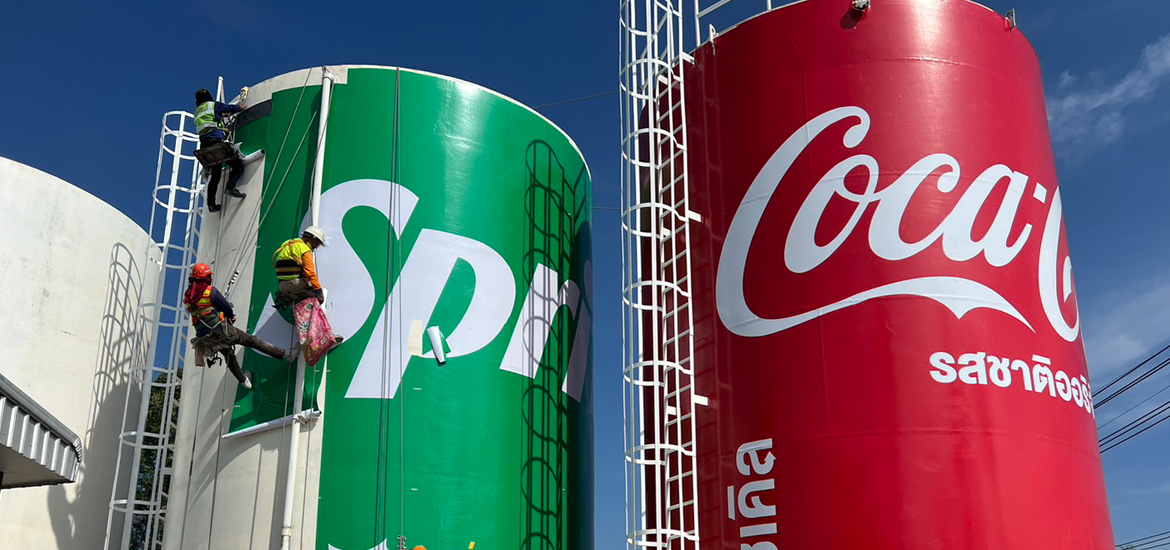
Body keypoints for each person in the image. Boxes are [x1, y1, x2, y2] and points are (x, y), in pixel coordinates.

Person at [184, 263, 289, 389]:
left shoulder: (188, 297)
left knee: (229, 356)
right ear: (206, 278)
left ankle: (244, 381)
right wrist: (231, 316)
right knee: (252, 341)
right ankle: (284, 354)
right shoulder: (210, 291)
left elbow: (202, 311)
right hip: (220, 330)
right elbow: (226, 308)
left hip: (205, 337)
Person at [194, 88, 246, 213]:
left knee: (215, 175)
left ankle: (211, 204)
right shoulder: (212, 105)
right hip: (215, 141)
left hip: (205, 146)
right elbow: (228, 108)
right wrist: (240, 107)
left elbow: (210, 120)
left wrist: (221, 116)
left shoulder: (198, 112)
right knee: (238, 166)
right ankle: (230, 187)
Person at [273, 226, 328, 307]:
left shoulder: (287, 246)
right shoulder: (305, 250)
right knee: (312, 291)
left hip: (282, 285)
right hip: (296, 284)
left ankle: (287, 299)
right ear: (310, 239)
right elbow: (310, 273)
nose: (316, 247)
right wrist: (319, 291)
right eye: (317, 243)